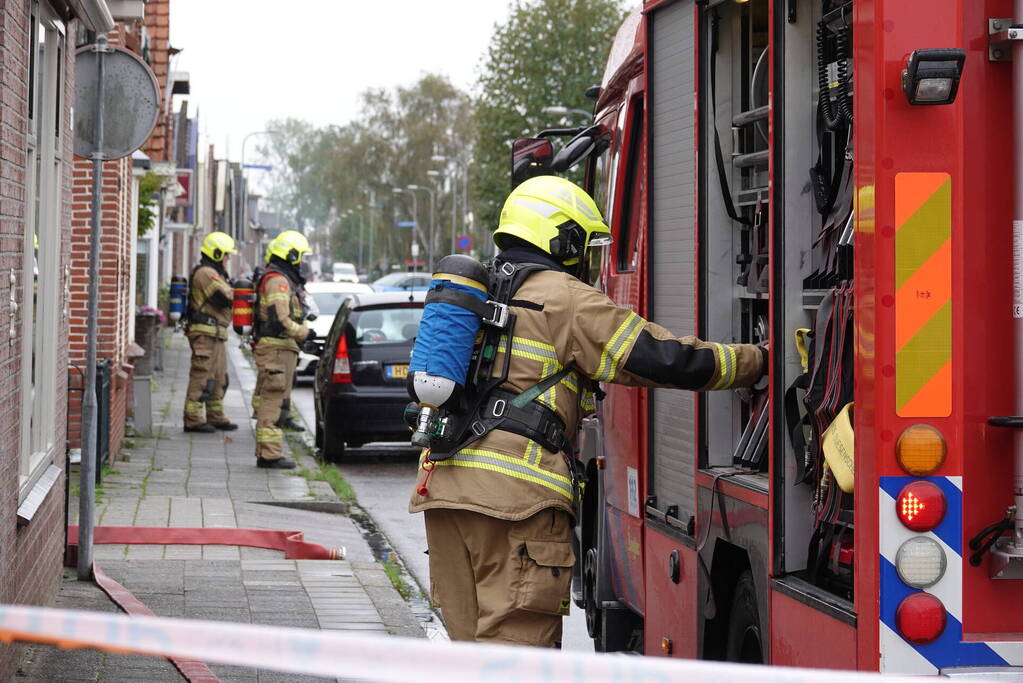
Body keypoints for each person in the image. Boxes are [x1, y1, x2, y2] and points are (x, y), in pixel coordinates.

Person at [408, 176, 767, 647]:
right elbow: (661, 358)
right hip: (517, 506)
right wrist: (757, 360)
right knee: (516, 659)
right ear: (563, 237)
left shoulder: (478, 293)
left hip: (446, 499)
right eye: (584, 242)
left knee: (467, 657)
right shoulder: (566, 298)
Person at [252, 230, 315, 469]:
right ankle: (270, 455)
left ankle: (267, 452)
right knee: (272, 400)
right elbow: (280, 319)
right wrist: (303, 332)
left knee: (271, 398)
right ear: (289, 255)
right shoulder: (278, 281)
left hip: (279, 349)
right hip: (276, 349)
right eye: (299, 257)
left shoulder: (282, 279)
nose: (301, 263)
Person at [183, 231, 239, 433]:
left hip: (216, 334)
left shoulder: (216, 273)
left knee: (219, 378)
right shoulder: (206, 273)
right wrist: (242, 292)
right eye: (226, 254)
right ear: (216, 253)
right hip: (205, 334)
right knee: (201, 376)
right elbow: (224, 298)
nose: (228, 259)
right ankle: (193, 419)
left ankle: (215, 416)